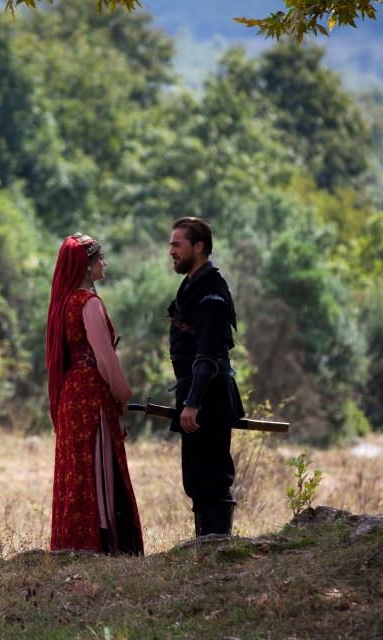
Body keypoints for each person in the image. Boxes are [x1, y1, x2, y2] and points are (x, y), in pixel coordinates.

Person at [45, 232, 145, 555]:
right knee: (97, 465)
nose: (105, 263)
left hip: (71, 396)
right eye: (100, 258)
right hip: (91, 394)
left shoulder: (63, 304)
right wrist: (123, 394)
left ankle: (74, 542)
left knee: (78, 468)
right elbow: (105, 358)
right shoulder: (88, 303)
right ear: (87, 266)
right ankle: (102, 543)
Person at [166, 216, 244, 537]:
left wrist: (193, 403)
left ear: (199, 247)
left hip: (209, 400)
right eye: (171, 244)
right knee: (197, 480)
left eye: (177, 244)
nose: (171, 251)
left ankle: (217, 549)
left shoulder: (211, 290)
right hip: (196, 397)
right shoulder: (191, 286)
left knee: (212, 478)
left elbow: (209, 354)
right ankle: (206, 550)